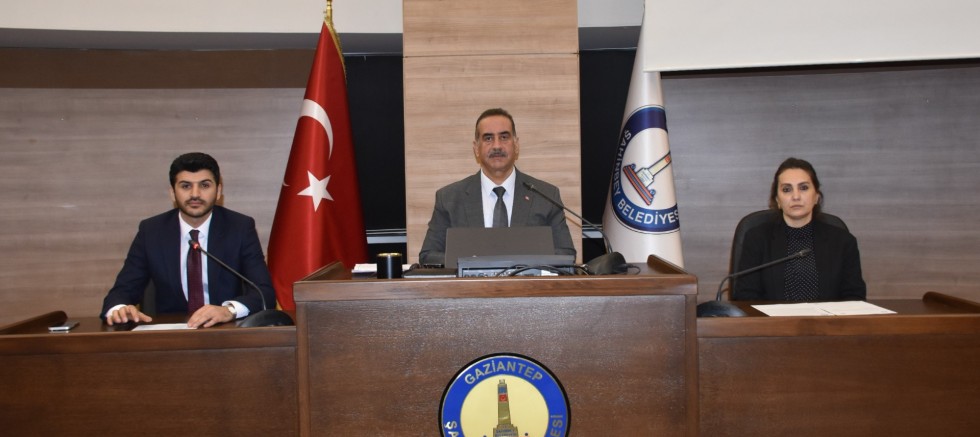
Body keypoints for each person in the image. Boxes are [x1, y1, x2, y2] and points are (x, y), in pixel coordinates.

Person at [100, 152, 277, 328]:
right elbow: (120, 292)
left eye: (204, 185)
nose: (195, 194)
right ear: (172, 193)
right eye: (185, 186)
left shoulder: (239, 228)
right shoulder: (152, 231)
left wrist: (228, 310)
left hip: (224, 332)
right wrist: (120, 309)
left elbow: (264, 294)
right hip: (170, 334)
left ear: (218, 191)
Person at [419, 108, 576, 265]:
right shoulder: (449, 199)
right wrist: (471, 262)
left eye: (504, 137)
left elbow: (566, 254)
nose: (497, 146)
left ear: (516, 145)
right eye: (488, 138)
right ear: (476, 148)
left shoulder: (545, 196)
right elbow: (428, 256)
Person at [733, 157, 866, 301]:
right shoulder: (757, 239)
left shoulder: (843, 241)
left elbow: (854, 297)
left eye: (803, 188)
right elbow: (745, 297)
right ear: (777, 200)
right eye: (787, 189)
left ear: (816, 196)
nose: (796, 196)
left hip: (827, 317)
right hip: (771, 317)